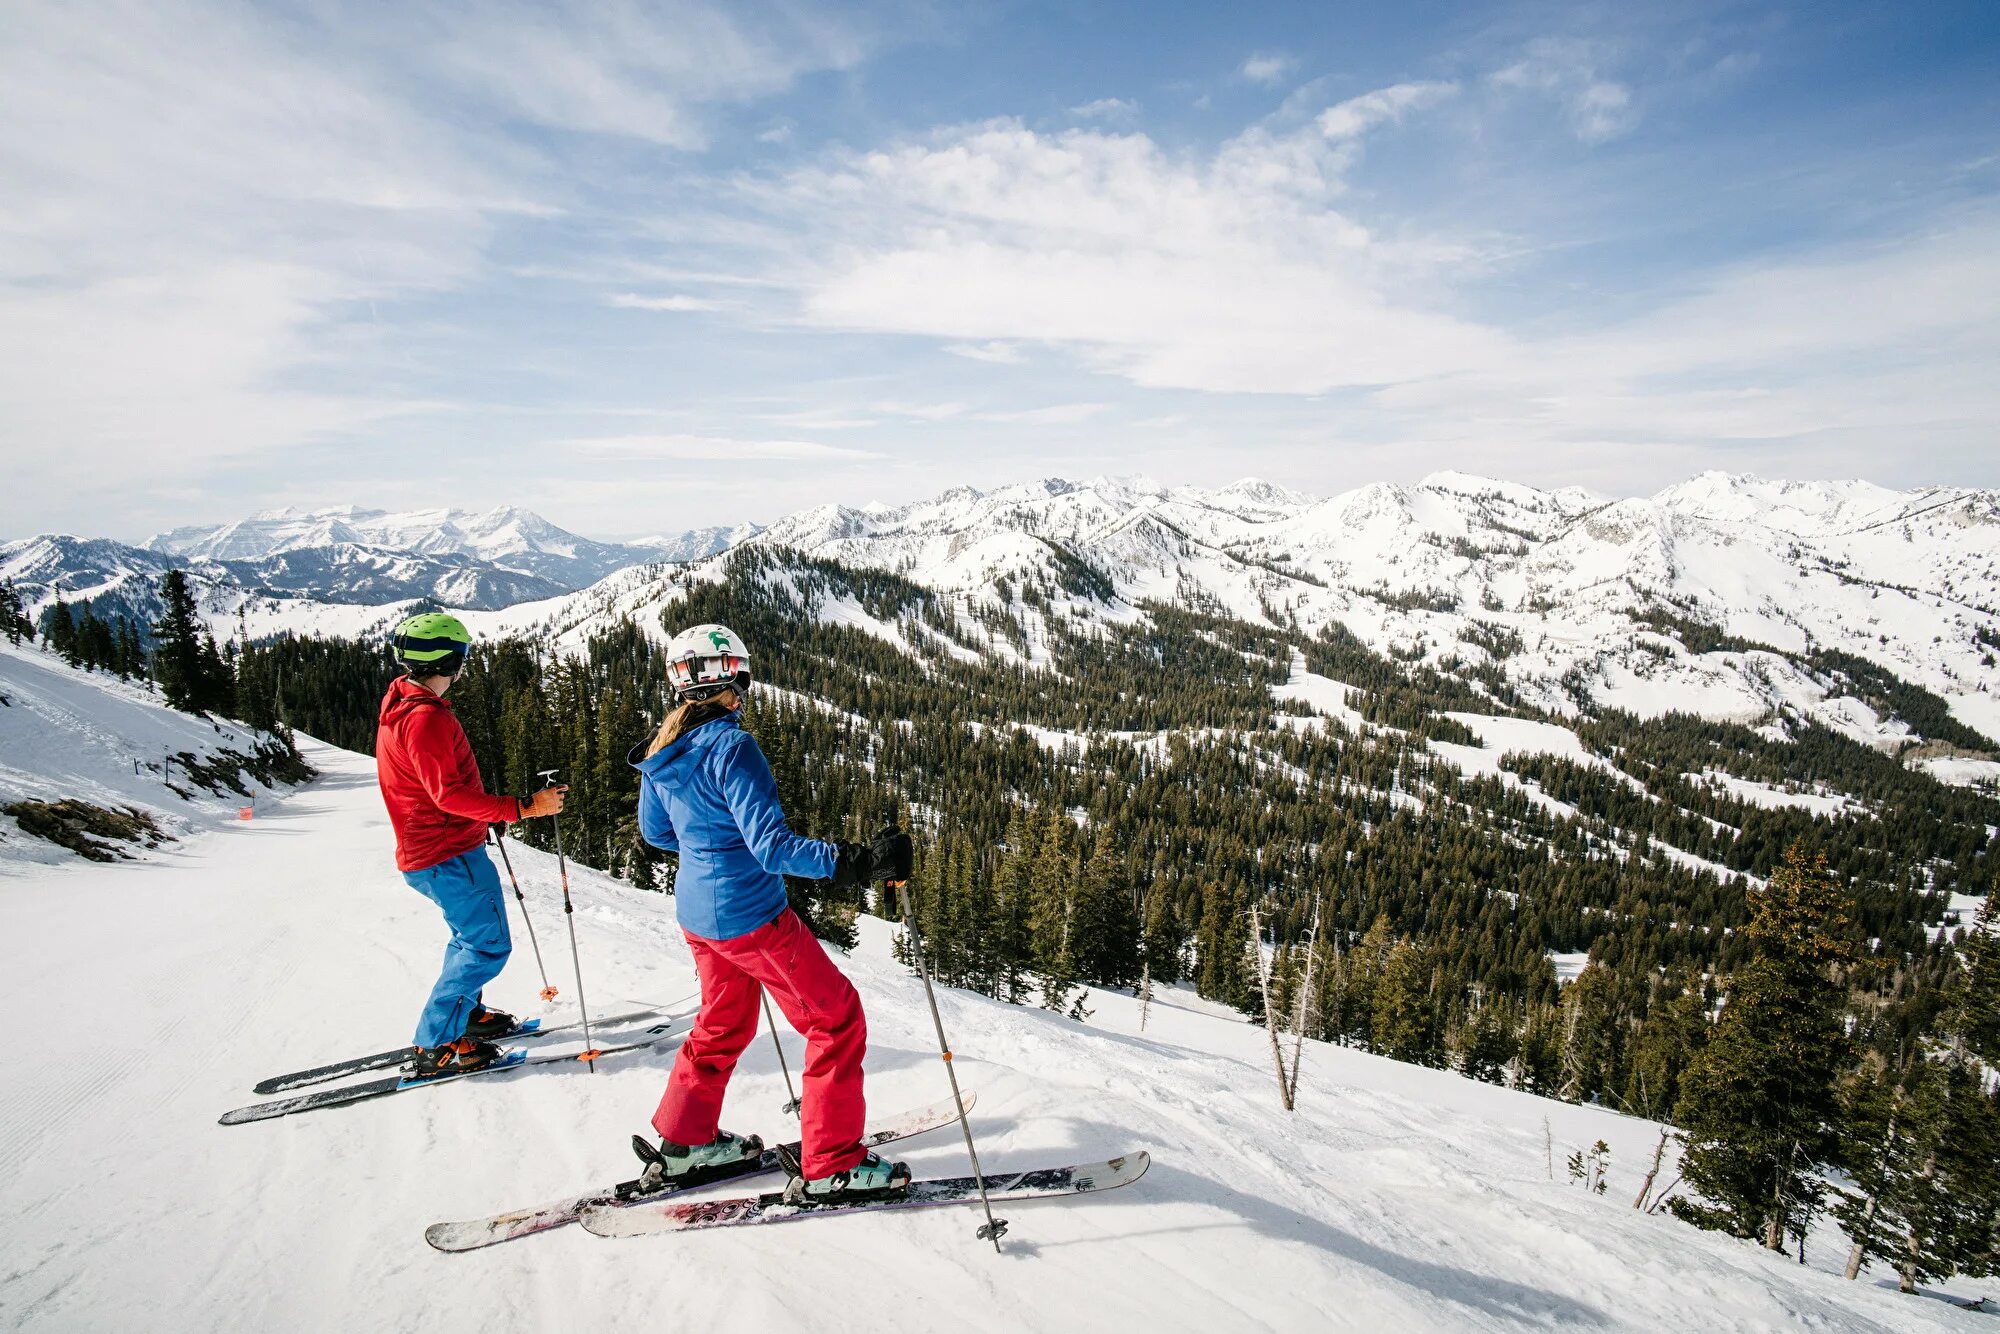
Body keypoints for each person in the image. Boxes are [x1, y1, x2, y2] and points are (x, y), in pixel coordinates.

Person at [629, 622, 912, 1202]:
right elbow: (773, 848)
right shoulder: (733, 746)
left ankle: (685, 1143)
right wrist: (857, 861)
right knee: (835, 1019)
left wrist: (708, 844)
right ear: (738, 678)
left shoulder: (665, 749)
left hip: (699, 917)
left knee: (724, 1022)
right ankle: (832, 1162)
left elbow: (656, 834)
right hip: (751, 917)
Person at [376, 612, 566, 1079]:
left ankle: (466, 1020)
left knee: (469, 939)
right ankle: (436, 1043)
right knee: (485, 947)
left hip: (436, 851)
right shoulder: (424, 719)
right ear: (452, 659)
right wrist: (522, 807)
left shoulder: (402, 703)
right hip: (447, 855)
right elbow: (448, 795)